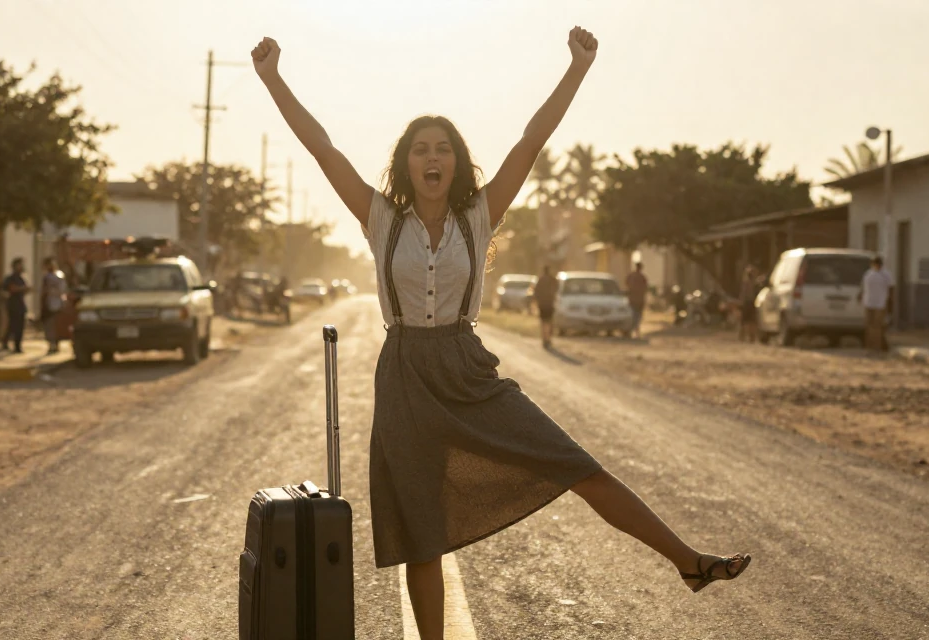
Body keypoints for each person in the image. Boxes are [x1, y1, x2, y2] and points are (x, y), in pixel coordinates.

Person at [253, 27, 750, 638]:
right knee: (422, 536)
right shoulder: (380, 218)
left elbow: (532, 139)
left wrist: (578, 69)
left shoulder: (479, 215)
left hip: (465, 365)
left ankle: (688, 562)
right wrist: (274, 79)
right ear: (406, 164)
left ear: (457, 161)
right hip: (405, 372)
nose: (432, 157)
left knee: (577, 464)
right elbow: (323, 148)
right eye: (420, 149)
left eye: (443, 148)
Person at [859, 255, 895, 352]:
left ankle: (877, 346)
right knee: (869, 325)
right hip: (869, 302)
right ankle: (869, 346)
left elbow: (891, 288)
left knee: (878, 326)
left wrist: (890, 302)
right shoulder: (868, 274)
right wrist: (861, 296)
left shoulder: (886, 274)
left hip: (880, 303)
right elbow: (863, 287)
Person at [1, 257, 30, 353]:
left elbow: (25, 289)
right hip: (13, 305)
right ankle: (7, 342)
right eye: (20, 264)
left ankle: (17, 346)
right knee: (13, 325)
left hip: (20, 304)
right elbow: (12, 289)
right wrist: (22, 289)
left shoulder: (21, 278)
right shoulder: (10, 278)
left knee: (20, 326)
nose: (22, 266)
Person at [40, 257, 67, 354]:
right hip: (50, 304)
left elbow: (62, 290)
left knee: (56, 325)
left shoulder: (58, 275)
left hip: (57, 304)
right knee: (49, 325)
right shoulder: (46, 277)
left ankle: (56, 344)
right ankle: (52, 344)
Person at [534, 265, 559, 348]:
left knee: (543, 322)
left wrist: (537, 301)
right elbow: (557, 289)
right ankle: (548, 339)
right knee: (549, 322)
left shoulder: (540, 280)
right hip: (550, 303)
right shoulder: (553, 280)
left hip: (542, 304)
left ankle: (544, 339)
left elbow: (536, 292)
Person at [625, 262, 648, 339]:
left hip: (634, 300)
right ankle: (633, 332)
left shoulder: (632, 276)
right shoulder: (641, 277)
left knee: (635, 317)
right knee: (636, 317)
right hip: (637, 300)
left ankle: (633, 332)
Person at [738, 265, 760, 343]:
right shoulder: (749, 283)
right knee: (747, 321)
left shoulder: (752, 283)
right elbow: (743, 294)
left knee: (749, 321)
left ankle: (749, 337)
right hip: (748, 303)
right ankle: (746, 337)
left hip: (750, 303)